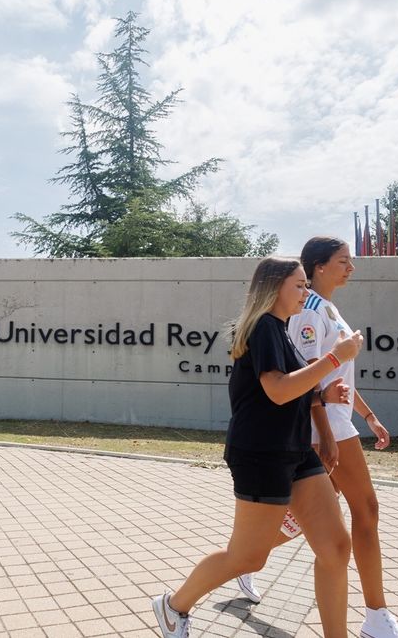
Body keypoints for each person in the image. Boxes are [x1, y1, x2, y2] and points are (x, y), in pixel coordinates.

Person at [152, 257, 364, 638]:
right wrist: (337, 357)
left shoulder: (282, 330)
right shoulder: (263, 326)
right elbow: (277, 390)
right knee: (248, 556)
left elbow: (290, 388)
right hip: (262, 453)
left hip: (297, 450)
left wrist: (323, 393)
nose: (306, 292)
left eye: (306, 285)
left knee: (335, 546)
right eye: (299, 285)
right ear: (273, 287)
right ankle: (173, 606)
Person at [236, 237, 398, 638]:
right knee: (360, 511)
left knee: (310, 521)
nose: (351, 267)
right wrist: (323, 435)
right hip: (325, 428)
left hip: (339, 423)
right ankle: (375, 616)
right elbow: (305, 376)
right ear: (318, 267)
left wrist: (367, 415)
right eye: (342, 261)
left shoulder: (327, 309)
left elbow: (336, 376)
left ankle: (247, 562)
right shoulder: (304, 312)